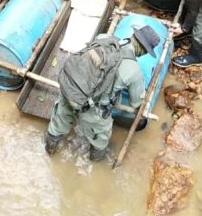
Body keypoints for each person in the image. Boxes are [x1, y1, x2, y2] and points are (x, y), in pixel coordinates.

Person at [44, 26, 160, 162]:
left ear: (134, 35)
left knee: (58, 124)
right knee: (100, 140)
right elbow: (136, 102)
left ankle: (49, 150)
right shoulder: (134, 71)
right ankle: (95, 166)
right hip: (92, 108)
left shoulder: (103, 38)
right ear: (144, 50)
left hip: (69, 88)